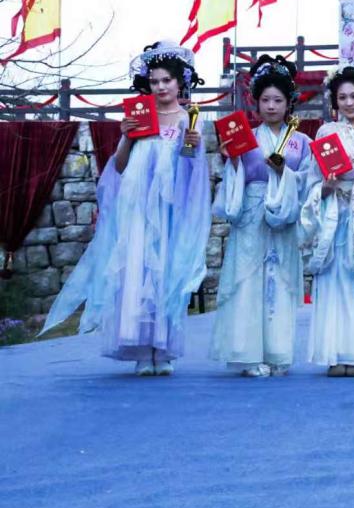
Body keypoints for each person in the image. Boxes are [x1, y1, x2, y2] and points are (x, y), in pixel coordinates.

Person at [41, 41, 211, 376]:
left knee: (164, 273)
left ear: (180, 81)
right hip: (137, 208)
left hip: (168, 209)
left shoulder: (188, 118)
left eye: (166, 80)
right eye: (154, 81)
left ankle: (163, 349)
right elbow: (119, 166)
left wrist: (191, 146)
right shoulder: (139, 116)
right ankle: (140, 350)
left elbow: (191, 169)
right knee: (137, 270)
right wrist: (128, 137)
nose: (160, 87)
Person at [211, 55, 309, 377]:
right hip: (251, 214)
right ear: (256, 102)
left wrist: (284, 175)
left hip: (283, 214)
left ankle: (278, 354)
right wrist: (233, 160)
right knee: (248, 281)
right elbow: (236, 178)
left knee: (279, 281)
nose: (271, 106)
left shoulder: (301, 141)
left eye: (278, 100)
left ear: (288, 103)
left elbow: (308, 181)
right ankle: (248, 354)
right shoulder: (245, 137)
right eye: (265, 100)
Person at [301, 66, 354, 377]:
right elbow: (313, 178)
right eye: (343, 97)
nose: (349, 103)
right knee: (334, 282)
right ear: (334, 101)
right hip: (334, 215)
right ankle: (333, 353)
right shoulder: (327, 132)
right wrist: (325, 188)